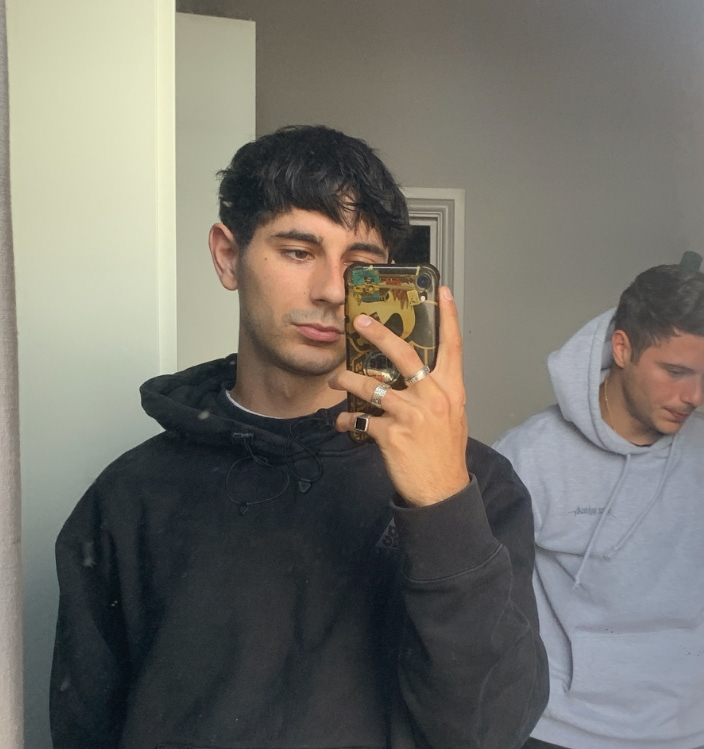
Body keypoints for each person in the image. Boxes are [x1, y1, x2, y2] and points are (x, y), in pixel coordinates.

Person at [50, 125, 547, 749]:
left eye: (359, 266)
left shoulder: (479, 485)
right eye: (297, 251)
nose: (332, 291)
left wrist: (442, 505)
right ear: (227, 256)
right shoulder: (129, 496)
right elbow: (86, 725)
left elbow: (489, 731)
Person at [493, 261, 704, 749]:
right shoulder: (528, 457)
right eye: (675, 372)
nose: (693, 396)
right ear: (622, 348)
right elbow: (485, 610)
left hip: (688, 727)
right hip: (561, 728)